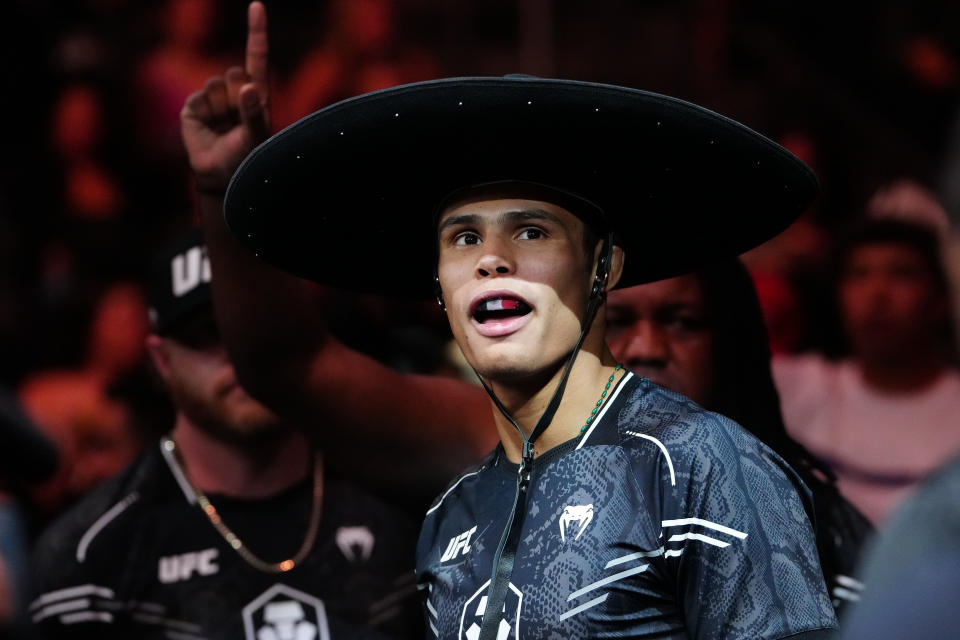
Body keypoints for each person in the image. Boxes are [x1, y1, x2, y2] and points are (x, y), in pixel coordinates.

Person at [183, 4, 838, 637]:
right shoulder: (452, 513)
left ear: (603, 268)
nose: (493, 260)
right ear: (439, 290)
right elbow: (287, 365)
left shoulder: (707, 462)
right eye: (463, 239)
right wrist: (220, 188)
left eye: (530, 231)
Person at [28, 231, 422, 639]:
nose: (238, 353)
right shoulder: (94, 553)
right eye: (207, 334)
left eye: (254, 325)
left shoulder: (402, 505)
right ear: (162, 360)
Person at [606, 259, 873, 612]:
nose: (646, 348)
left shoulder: (816, 524)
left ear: (729, 342)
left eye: (682, 322)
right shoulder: (530, 497)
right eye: (615, 323)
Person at [773, 216, 960, 525]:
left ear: (940, 300)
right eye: (858, 275)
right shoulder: (796, 388)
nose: (877, 293)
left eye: (902, 274)